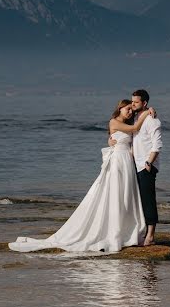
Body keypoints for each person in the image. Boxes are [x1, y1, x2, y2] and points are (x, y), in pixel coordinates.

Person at [8, 100, 152, 253]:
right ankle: (115, 232)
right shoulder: (114, 122)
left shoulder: (127, 122)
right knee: (115, 194)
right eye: (127, 109)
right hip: (117, 161)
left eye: (131, 109)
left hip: (127, 162)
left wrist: (147, 110)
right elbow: (135, 128)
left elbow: (129, 136)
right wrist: (147, 113)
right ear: (120, 108)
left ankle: (127, 230)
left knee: (127, 195)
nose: (130, 111)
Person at [127, 89, 163, 246]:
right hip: (135, 165)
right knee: (138, 200)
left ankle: (150, 235)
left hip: (147, 165)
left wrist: (149, 163)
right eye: (132, 101)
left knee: (148, 200)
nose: (132, 104)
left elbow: (157, 144)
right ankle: (140, 232)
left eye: (136, 102)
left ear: (145, 103)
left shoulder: (152, 120)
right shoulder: (134, 117)